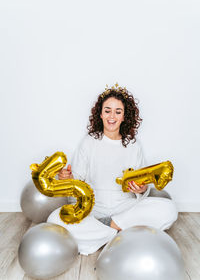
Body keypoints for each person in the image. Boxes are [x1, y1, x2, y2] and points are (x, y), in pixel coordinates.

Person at [47, 84, 178, 255]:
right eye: (107, 110)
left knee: (169, 209)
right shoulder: (88, 142)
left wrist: (142, 189)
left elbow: (142, 184)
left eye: (118, 112)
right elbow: (76, 180)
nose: (112, 116)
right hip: (93, 209)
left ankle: (108, 228)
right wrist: (66, 178)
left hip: (125, 209)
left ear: (124, 117)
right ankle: (115, 233)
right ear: (100, 114)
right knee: (55, 219)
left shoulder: (133, 145)